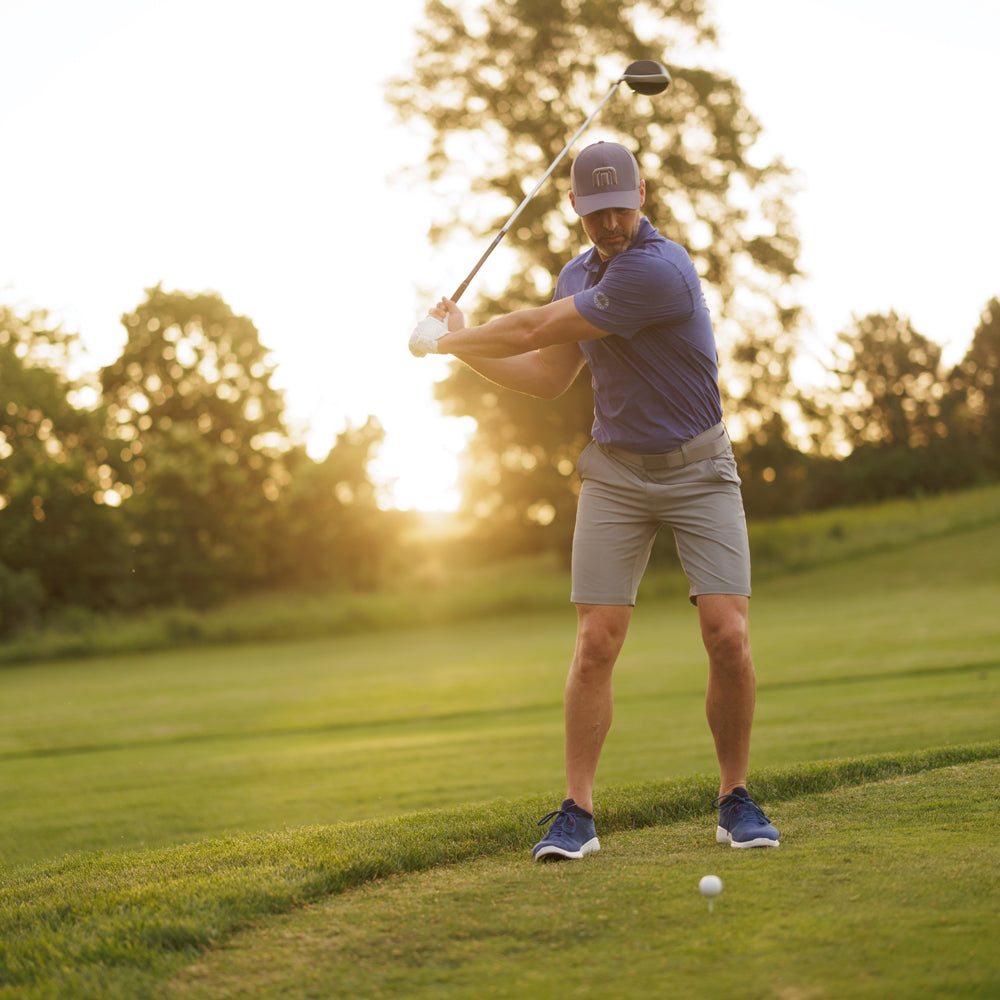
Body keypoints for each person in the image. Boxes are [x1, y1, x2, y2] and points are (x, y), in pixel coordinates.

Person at [409, 140, 779, 859]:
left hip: (701, 467)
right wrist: (464, 342)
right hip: (615, 472)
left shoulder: (658, 270)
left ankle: (735, 797)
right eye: (595, 211)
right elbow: (548, 373)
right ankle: (577, 812)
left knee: (728, 636)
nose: (609, 223)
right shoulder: (575, 274)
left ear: (641, 196)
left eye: (620, 207)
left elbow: (536, 327)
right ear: (575, 206)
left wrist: (453, 344)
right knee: (594, 642)